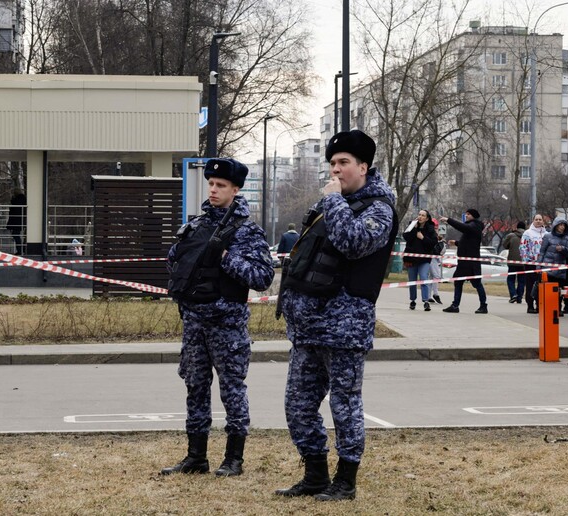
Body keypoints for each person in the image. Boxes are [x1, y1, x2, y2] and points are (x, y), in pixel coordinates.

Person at [275, 130, 398, 502]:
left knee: (345, 406)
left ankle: (345, 481)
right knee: (297, 404)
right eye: (332, 163)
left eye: (343, 163)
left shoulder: (379, 208)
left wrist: (333, 203)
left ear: (363, 166)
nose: (336, 170)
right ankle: (314, 474)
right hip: (308, 326)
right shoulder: (333, 203)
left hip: (344, 328)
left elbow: (353, 242)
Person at [163, 158, 274, 477]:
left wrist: (226, 258)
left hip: (227, 326)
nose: (213, 189)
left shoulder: (247, 232)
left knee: (232, 390)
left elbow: (262, 277)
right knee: (195, 388)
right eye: (211, 183)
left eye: (220, 185)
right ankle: (195, 457)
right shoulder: (196, 225)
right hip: (194, 323)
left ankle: (233, 459)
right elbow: (175, 261)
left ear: (235, 190)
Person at [439, 209, 488, 314]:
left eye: (468, 214)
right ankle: (455, 305)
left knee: (477, 284)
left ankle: (483, 306)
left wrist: (449, 220)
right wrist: (457, 243)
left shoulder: (474, 225)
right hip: (464, 261)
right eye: (466, 214)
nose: (466, 216)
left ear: (474, 216)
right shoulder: (472, 227)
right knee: (458, 282)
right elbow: (468, 243)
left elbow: (463, 228)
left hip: (470, 262)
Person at [402, 209, 437, 311]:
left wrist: (423, 238)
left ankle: (426, 301)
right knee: (412, 281)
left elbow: (433, 243)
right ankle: (412, 300)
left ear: (426, 218)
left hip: (424, 259)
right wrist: (414, 229)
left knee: (423, 278)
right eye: (419, 215)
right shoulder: (412, 225)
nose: (420, 217)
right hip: (411, 258)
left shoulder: (430, 229)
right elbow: (406, 237)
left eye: (423, 215)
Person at [538, 217, 568, 315]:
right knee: (548, 290)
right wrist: (539, 267)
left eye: (564, 225)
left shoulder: (566, 238)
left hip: (561, 269)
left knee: (559, 291)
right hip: (548, 268)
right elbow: (542, 252)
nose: (562, 227)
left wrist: (563, 249)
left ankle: (558, 308)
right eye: (560, 225)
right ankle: (547, 308)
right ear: (555, 226)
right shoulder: (548, 236)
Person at [519, 214, 548, 314]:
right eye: (536, 219)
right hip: (531, 264)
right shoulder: (528, 233)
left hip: (543, 264)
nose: (538, 221)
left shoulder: (547, 234)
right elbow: (523, 248)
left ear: (543, 221)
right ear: (533, 221)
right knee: (530, 285)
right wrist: (526, 260)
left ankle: (539, 305)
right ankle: (530, 305)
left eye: (540, 219)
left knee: (541, 285)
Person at [502, 221, 526, 304]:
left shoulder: (511, 235)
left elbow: (505, 245)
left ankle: (513, 295)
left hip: (512, 261)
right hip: (523, 262)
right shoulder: (527, 236)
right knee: (521, 281)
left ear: (517, 227)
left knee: (511, 279)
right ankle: (519, 298)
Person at [428, 219, 445, 305]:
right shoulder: (430, 234)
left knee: (432, 277)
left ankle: (428, 295)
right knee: (436, 276)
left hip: (434, 257)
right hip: (432, 257)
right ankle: (435, 294)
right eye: (434, 226)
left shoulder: (437, 236)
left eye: (436, 227)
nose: (435, 228)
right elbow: (434, 248)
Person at [7, 189, 27, 255]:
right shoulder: (22, 200)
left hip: (17, 221)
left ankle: (20, 250)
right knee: (17, 235)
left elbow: (15, 210)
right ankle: (21, 250)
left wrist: (12, 201)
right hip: (19, 221)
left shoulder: (17, 201)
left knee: (16, 235)